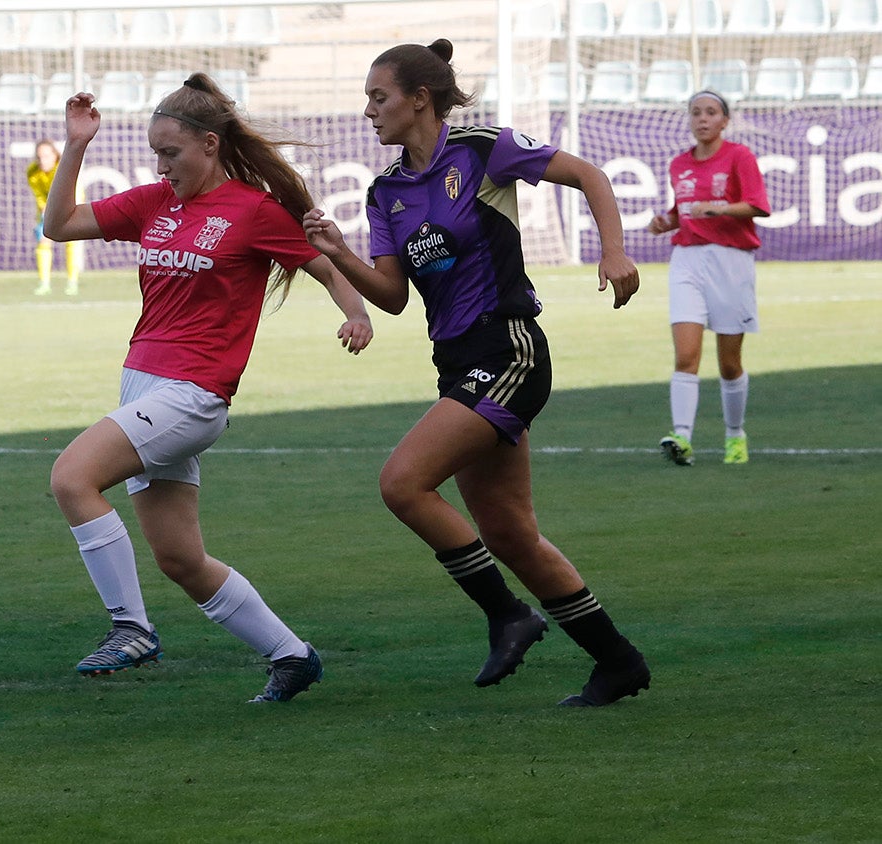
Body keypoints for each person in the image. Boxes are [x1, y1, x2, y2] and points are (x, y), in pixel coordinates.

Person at [302, 41, 649, 707]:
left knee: (403, 483)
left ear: (419, 99)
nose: (368, 111)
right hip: (457, 363)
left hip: (511, 349)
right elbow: (393, 297)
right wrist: (337, 250)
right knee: (510, 533)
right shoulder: (387, 193)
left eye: (379, 97)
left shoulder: (483, 148)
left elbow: (590, 177)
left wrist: (614, 251)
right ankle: (618, 661)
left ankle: (507, 615)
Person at [42, 74, 375, 702]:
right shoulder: (151, 205)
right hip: (142, 390)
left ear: (210, 146)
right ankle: (292, 655)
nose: (162, 165)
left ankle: (130, 627)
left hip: (193, 395)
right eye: (155, 154)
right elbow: (57, 226)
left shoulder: (253, 211)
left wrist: (354, 313)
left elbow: (324, 265)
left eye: (172, 153)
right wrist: (76, 145)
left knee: (71, 478)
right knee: (180, 560)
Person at [647, 90, 770, 466]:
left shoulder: (739, 156)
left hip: (731, 261)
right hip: (686, 260)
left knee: (729, 363)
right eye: (696, 112)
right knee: (686, 355)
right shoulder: (678, 164)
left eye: (711, 112)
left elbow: (758, 206)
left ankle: (735, 435)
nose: (702, 118)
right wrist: (666, 221)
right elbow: (680, 211)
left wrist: (718, 209)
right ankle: (682, 436)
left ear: (724, 121)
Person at [27, 139, 82, 296]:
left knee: (71, 240)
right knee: (43, 241)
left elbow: (71, 193)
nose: (42, 160)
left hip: (71, 202)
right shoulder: (32, 171)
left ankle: (72, 282)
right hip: (47, 206)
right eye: (39, 157)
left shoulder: (63, 169)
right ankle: (44, 283)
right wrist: (45, 209)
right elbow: (38, 195)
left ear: (55, 156)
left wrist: (58, 211)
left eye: (46, 156)